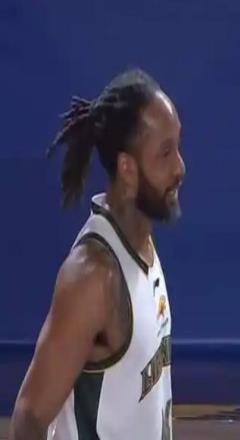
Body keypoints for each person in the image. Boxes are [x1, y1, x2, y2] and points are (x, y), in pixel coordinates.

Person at [9, 68, 185, 440]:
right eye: (165, 153)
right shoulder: (93, 276)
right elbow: (28, 418)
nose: (179, 167)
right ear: (127, 169)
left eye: (178, 147)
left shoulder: (142, 243)